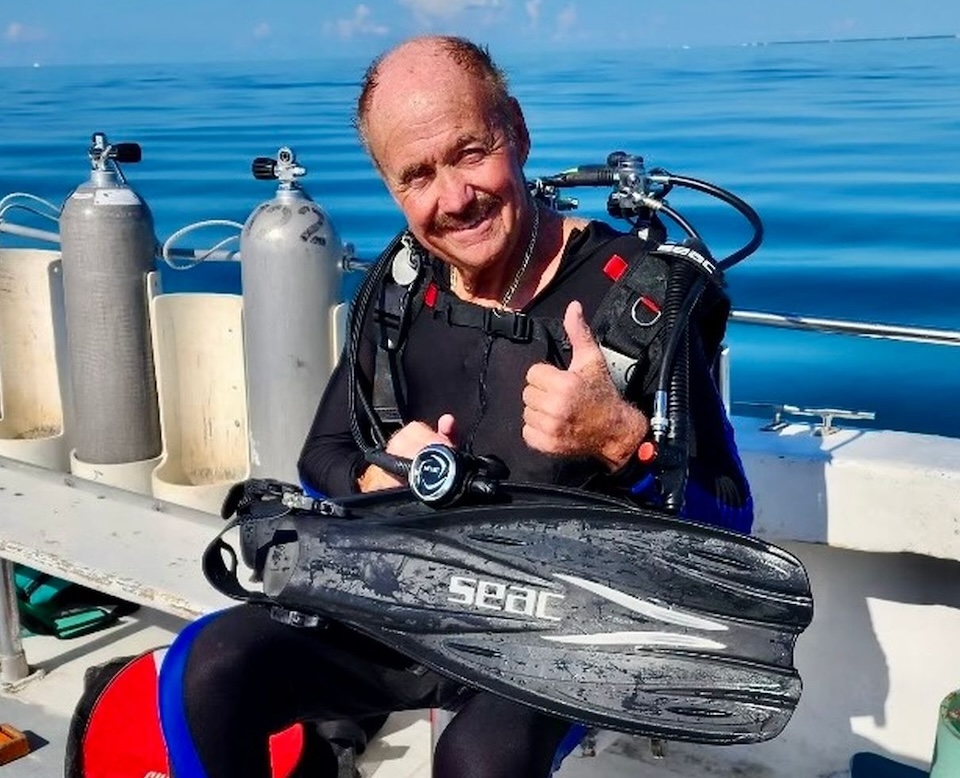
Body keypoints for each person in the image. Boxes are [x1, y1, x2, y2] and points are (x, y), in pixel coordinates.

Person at [169, 35, 751, 778]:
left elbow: (730, 517)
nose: (453, 198)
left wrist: (621, 441)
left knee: (481, 758)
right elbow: (323, 456)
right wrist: (379, 476)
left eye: (470, 151)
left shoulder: (635, 299)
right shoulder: (401, 287)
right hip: (417, 593)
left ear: (516, 130)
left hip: (564, 623)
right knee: (207, 667)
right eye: (416, 175)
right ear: (389, 185)